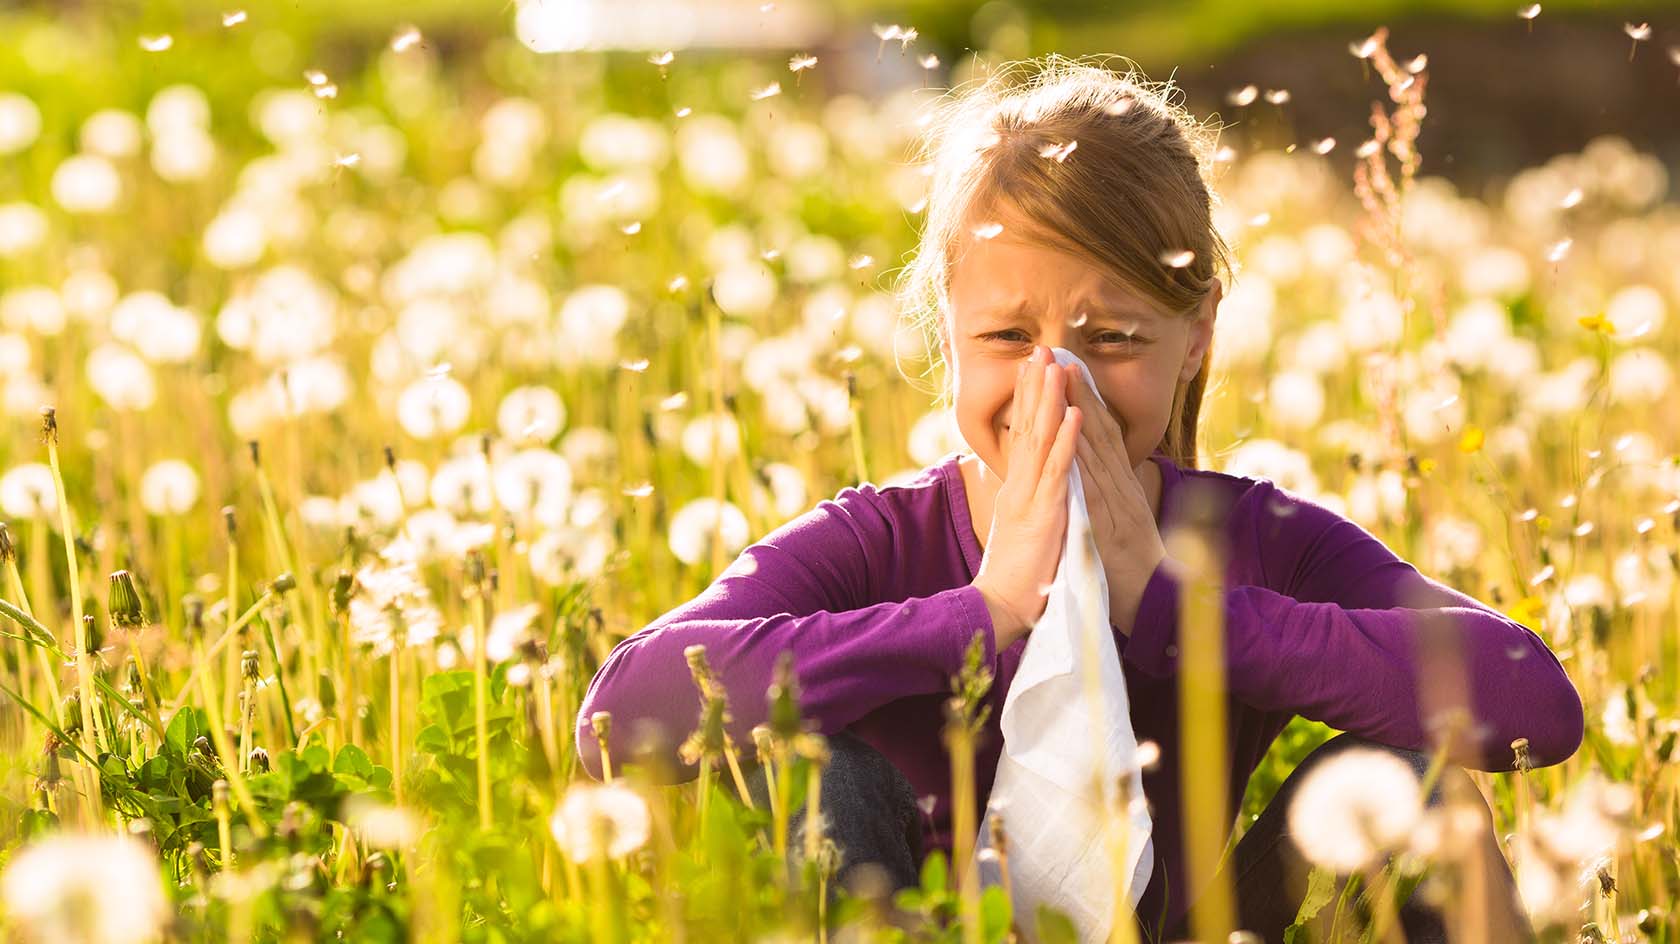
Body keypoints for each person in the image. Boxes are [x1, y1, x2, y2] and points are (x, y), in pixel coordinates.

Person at [575, 56, 1583, 942]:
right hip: (911, 926)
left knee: (1422, 782)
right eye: (1009, 337)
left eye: (1111, 339)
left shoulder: (1248, 537)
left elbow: (1532, 701)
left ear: (1195, 337)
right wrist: (983, 614)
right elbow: (619, 718)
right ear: (947, 332)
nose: (1056, 384)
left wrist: (1180, 609)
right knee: (824, 771)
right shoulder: (879, 539)